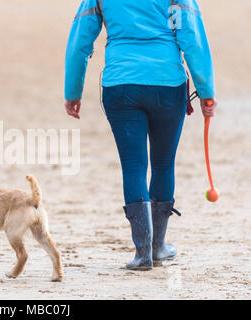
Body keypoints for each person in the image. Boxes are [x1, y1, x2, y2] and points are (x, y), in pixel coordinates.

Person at [64, 0, 217, 270]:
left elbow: (80, 43)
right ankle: (158, 247)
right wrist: (206, 90)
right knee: (163, 164)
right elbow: (191, 39)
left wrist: (72, 91)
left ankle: (142, 253)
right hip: (168, 83)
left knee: (133, 166)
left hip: (120, 84)